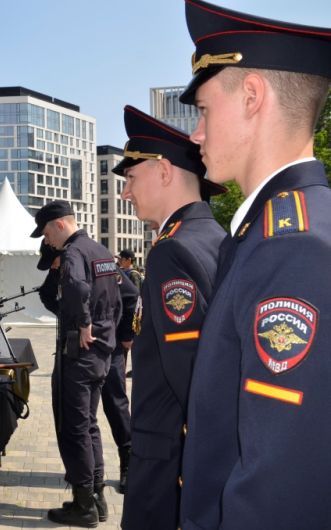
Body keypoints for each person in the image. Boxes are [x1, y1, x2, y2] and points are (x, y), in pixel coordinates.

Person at [176, 2, 331, 528]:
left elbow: (278, 488)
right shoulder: (278, 230)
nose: (195, 133)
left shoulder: (293, 248)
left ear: (250, 96)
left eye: (201, 109)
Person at [113, 105, 226, 530]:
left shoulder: (171, 252)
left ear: (163, 172)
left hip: (168, 464)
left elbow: (191, 376)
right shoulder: (215, 237)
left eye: (130, 178)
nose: (126, 193)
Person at [31, 200, 121, 528]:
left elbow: (75, 286)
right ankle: (97, 499)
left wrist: (82, 322)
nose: (47, 241)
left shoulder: (72, 253)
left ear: (59, 224)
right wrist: (103, 331)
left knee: (75, 428)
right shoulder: (101, 251)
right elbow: (117, 300)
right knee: (90, 426)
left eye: (45, 232)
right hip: (101, 352)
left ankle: (84, 506)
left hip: (79, 353)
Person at [101, 265, 138, 496]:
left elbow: (131, 295)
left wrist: (125, 335)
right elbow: (46, 294)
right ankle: (88, 473)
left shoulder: (101, 261)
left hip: (110, 345)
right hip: (78, 346)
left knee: (116, 403)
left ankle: (129, 462)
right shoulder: (62, 260)